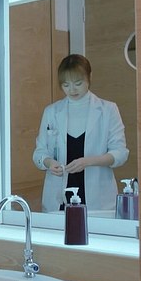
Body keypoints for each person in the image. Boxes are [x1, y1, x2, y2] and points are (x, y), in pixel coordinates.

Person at [32, 54, 128, 212]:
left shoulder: (108, 110)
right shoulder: (51, 112)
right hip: (58, 195)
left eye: (78, 83)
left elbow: (120, 153)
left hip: (97, 196)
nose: (72, 90)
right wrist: (49, 163)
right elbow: (39, 152)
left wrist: (88, 161)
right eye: (66, 85)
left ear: (90, 77)